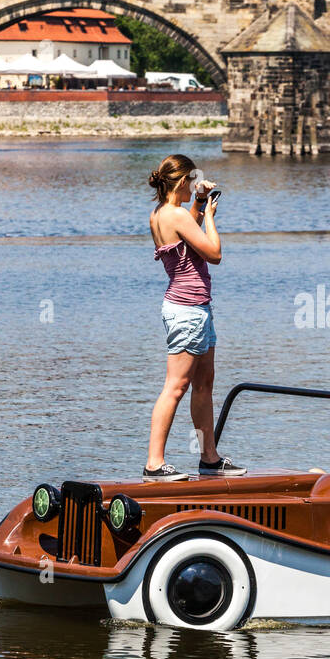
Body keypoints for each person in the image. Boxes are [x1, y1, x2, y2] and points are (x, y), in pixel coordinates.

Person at [143, 154, 244, 481]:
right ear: (181, 180)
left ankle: (209, 457)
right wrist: (211, 215)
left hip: (195, 309)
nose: (193, 188)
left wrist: (200, 202)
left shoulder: (160, 214)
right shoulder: (175, 214)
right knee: (176, 386)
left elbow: (189, 237)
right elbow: (213, 253)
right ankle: (154, 464)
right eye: (192, 183)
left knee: (203, 385)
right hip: (187, 311)